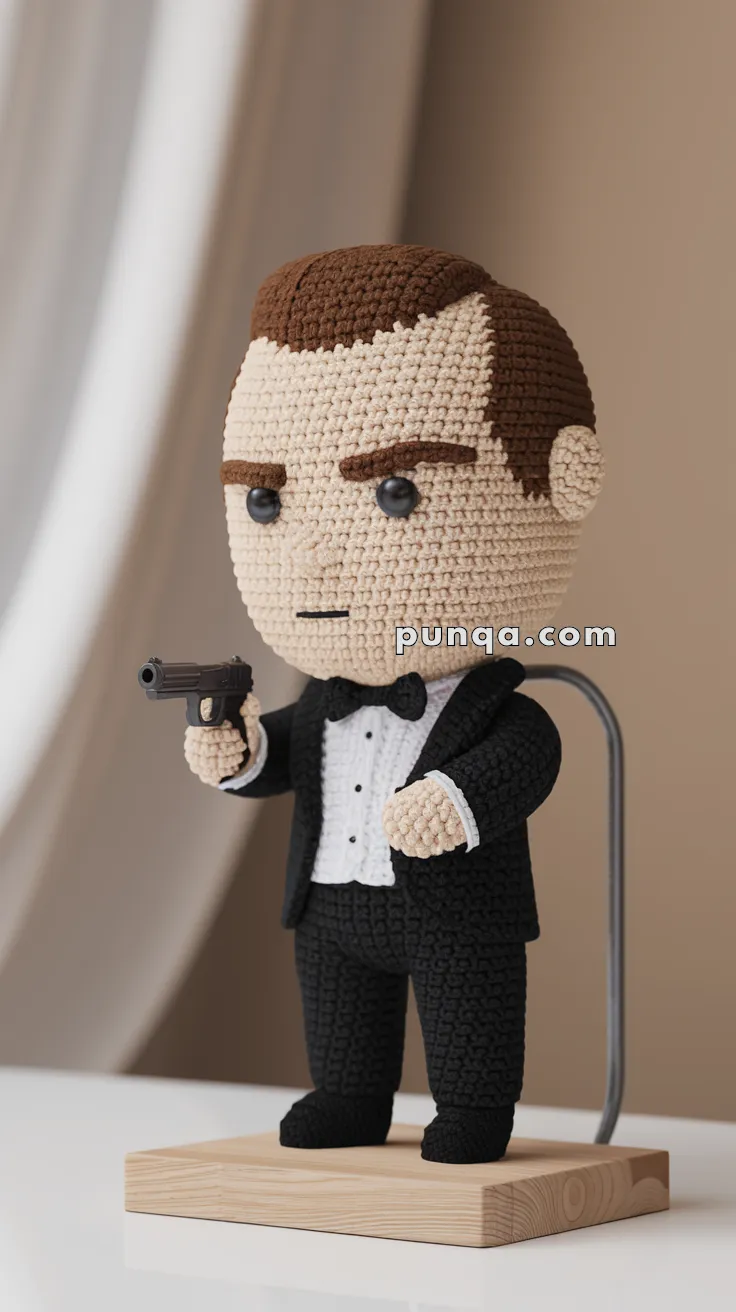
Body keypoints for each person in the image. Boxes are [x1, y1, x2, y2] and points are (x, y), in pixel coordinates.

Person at [184, 244, 604, 1163]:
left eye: (395, 491)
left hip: (457, 911)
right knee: (341, 1025)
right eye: (266, 503)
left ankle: (474, 1112)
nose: (314, 558)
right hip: (330, 908)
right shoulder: (325, 700)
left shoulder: (496, 709)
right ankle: (349, 1097)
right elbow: (293, 751)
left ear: (562, 480)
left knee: (470, 1014)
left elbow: (527, 756)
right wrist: (243, 754)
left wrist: (453, 800)